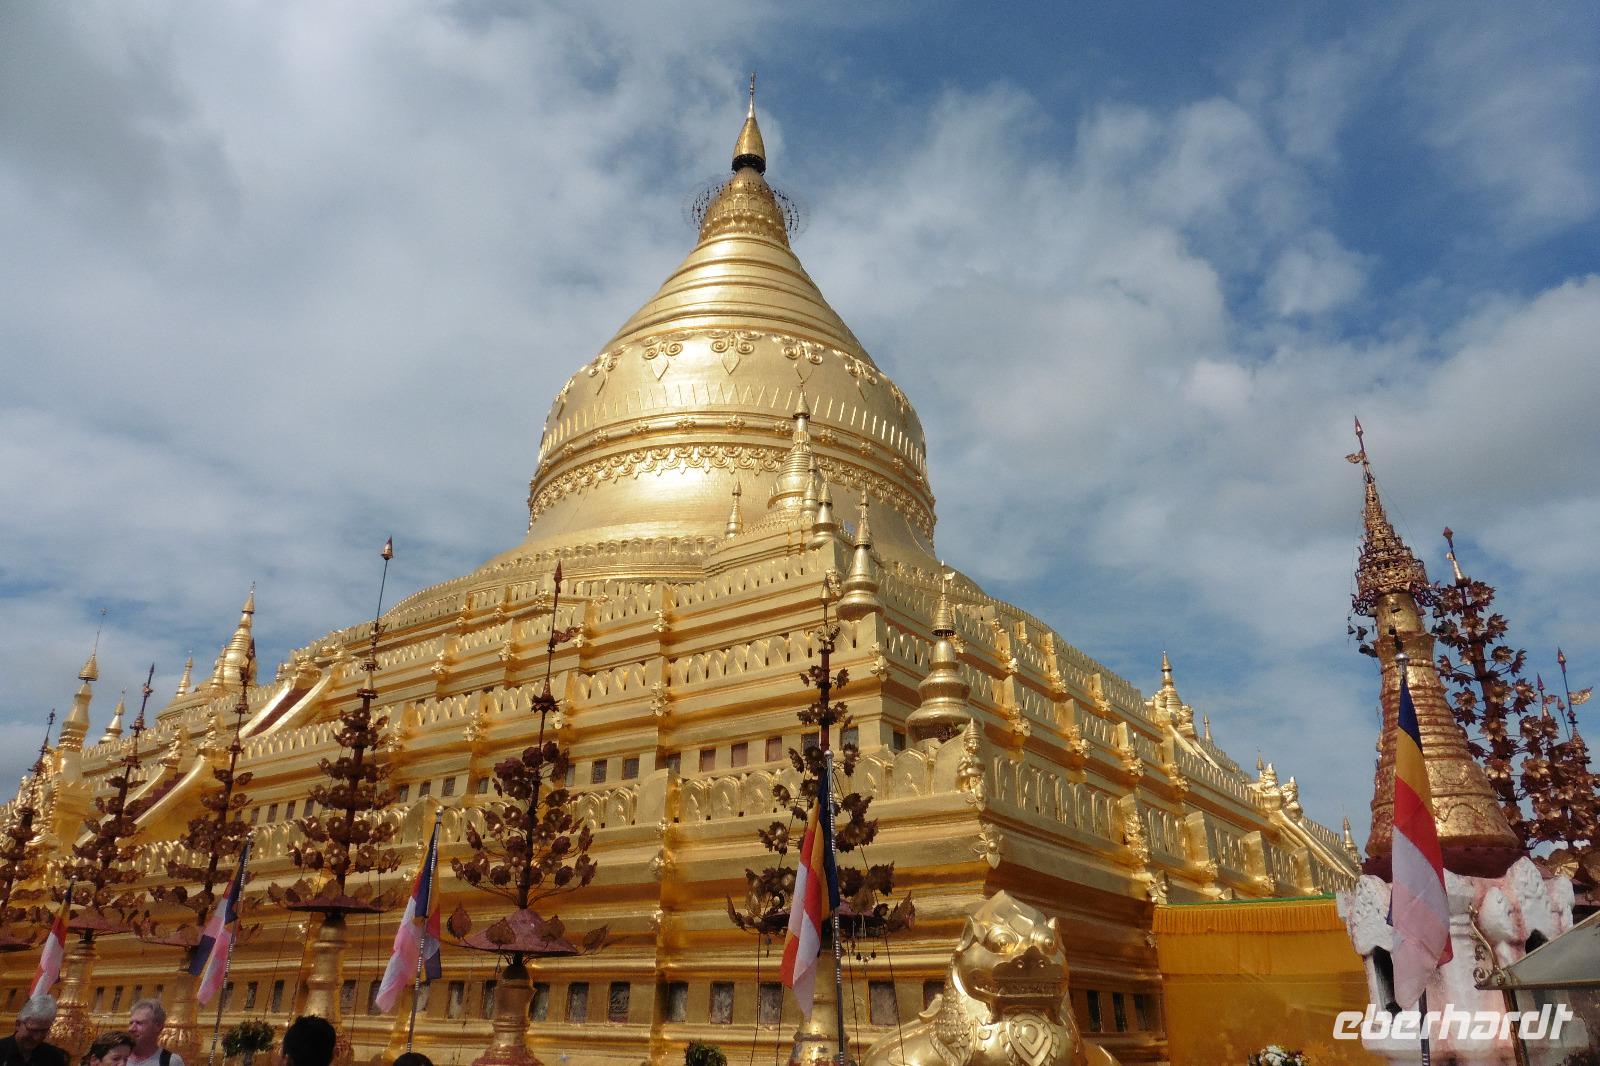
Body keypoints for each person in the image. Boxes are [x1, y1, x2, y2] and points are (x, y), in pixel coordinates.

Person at [0, 996, 68, 1066]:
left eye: (43, 1031)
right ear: (18, 1024)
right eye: (33, 1030)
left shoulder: (54, 1057)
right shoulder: (2, 1051)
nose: (37, 1038)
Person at [125, 1002, 180, 1066]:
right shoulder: (116, 1058)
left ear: (158, 1026)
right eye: (131, 1023)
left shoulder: (172, 1062)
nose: (131, 1029)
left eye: (139, 1023)